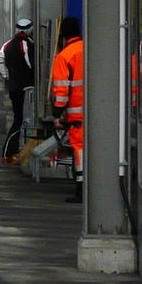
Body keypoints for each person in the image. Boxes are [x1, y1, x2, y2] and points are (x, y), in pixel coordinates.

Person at [0, 18, 36, 163]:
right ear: (30, 29)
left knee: (19, 118)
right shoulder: (28, 45)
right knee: (21, 119)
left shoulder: (8, 44)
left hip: (13, 87)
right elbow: (32, 66)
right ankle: (8, 151)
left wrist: (7, 75)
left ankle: (13, 150)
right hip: (26, 88)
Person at [52, 16, 84, 203]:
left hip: (76, 115)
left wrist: (57, 114)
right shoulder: (90, 50)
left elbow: (62, 91)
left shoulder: (64, 56)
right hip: (97, 112)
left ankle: (80, 189)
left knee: (79, 151)